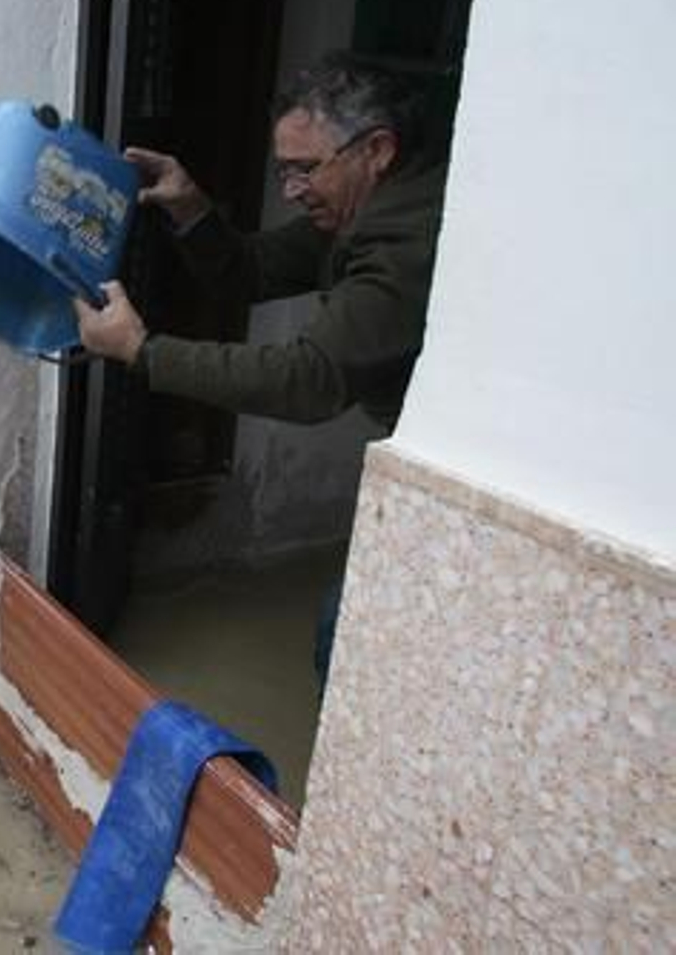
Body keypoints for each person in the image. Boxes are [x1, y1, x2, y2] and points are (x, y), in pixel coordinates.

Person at [72, 51, 449, 684]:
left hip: (457, 480)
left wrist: (143, 351)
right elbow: (250, 272)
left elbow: (308, 381)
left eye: (305, 169)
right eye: (283, 171)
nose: (292, 191)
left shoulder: (408, 240)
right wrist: (190, 206)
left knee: (343, 637)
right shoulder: (359, 210)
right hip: (414, 449)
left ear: (377, 150)